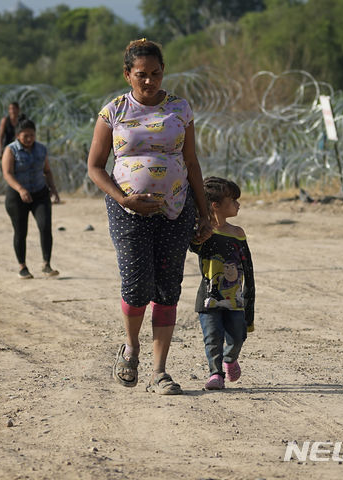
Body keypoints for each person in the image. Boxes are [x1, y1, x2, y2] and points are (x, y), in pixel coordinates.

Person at [87, 38, 212, 395]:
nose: (149, 81)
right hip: (128, 210)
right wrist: (124, 199)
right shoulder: (113, 111)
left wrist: (204, 215)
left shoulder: (180, 109)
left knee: (168, 288)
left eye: (155, 74)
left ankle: (160, 371)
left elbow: (191, 162)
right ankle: (131, 347)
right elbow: (95, 168)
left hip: (175, 207)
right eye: (141, 75)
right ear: (127, 75)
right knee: (137, 285)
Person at [189, 177, 255, 390]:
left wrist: (249, 304)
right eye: (233, 200)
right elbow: (190, 245)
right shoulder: (202, 234)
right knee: (213, 337)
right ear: (216, 205)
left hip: (235, 301)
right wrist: (197, 230)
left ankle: (229, 359)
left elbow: (248, 269)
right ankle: (215, 374)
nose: (238, 204)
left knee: (238, 337)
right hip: (209, 299)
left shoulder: (238, 233)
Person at [2, 119, 60, 279]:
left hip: (39, 193)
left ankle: (46, 264)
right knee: (21, 231)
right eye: (25, 135)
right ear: (18, 135)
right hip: (17, 195)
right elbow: (7, 173)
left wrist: (53, 189)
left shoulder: (41, 149)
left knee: (45, 226)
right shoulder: (11, 150)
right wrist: (20, 189)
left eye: (32, 135)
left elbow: (47, 171)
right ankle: (22, 266)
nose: (29, 138)